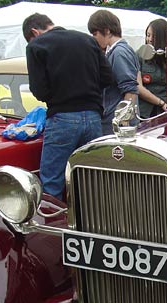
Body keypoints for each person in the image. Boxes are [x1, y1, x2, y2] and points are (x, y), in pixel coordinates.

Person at [22, 13, 113, 199]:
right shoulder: (87, 40)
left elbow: (39, 90)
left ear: (34, 32)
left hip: (62, 117)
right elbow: (108, 78)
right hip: (94, 116)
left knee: (52, 182)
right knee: (93, 181)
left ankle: (53, 224)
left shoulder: (36, 45)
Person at [88, 10, 139, 134]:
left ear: (107, 31)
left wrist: (122, 122)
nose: (94, 38)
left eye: (95, 34)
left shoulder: (119, 52)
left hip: (116, 124)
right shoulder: (118, 51)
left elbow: (130, 90)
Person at [137, 19, 167, 118]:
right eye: (148, 35)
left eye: (153, 36)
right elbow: (138, 87)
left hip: (166, 111)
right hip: (145, 112)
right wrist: (160, 102)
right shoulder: (139, 56)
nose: (149, 39)